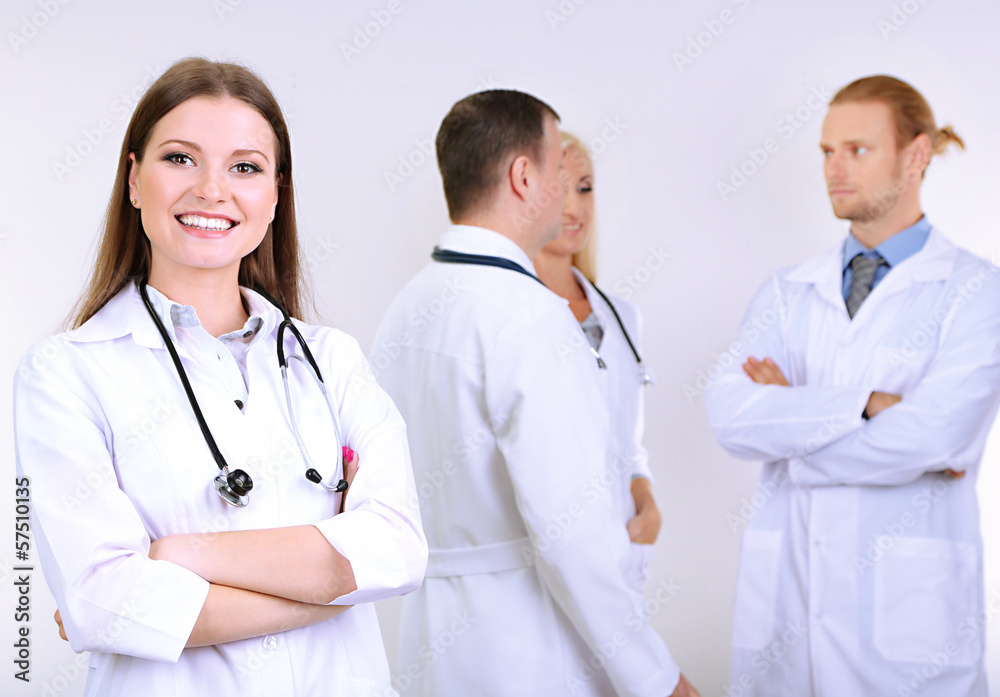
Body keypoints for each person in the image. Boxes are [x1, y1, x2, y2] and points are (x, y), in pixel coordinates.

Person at [13, 57, 426, 696]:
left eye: (245, 167)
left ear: (276, 194)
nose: (211, 190)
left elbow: (398, 550)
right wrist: (332, 588)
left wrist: (176, 554)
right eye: (180, 158)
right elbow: (102, 601)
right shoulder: (65, 373)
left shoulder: (332, 361)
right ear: (133, 179)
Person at [371, 90, 697, 697]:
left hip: (429, 644)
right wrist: (659, 679)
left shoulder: (407, 308)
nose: (563, 190)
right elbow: (574, 537)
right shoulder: (532, 318)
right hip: (532, 647)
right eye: (554, 170)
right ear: (524, 177)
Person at [705, 75, 1000, 694]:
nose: (834, 169)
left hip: (909, 643)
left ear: (916, 155)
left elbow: (935, 438)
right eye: (826, 152)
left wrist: (790, 429)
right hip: (788, 631)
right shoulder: (787, 292)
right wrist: (864, 405)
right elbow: (731, 416)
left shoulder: (976, 291)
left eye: (857, 150)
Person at [533, 132, 661, 594]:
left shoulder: (622, 316)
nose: (574, 207)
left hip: (624, 549)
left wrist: (646, 501)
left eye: (584, 188)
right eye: (557, 189)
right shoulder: (514, 316)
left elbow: (628, 442)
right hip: (549, 556)